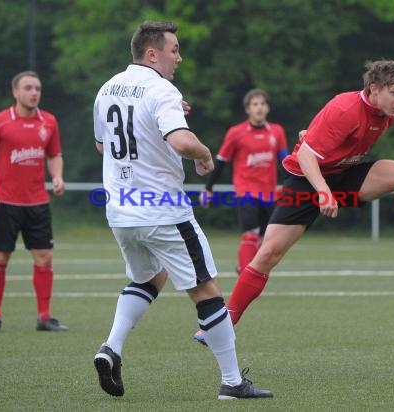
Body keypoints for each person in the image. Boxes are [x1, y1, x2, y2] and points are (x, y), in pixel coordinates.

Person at [194, 59, 394, 343]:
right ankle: (223, 323)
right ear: (374, 89)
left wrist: (315, 142)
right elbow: (307, 156)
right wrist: (322, 191)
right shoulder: (345, 108)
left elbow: (330, 142)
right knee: (267, 254)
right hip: (306, 180)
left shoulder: (388, 114)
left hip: (343, 174)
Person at [92, 21, 272, 400]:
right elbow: (181, 141)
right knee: (207, 289)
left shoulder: (107, 88)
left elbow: (102, 146)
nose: (179, 57)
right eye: (174, 49)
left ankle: (111, 348)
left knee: (149, 278)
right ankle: (233, 381)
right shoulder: (162, 90)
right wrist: (205, 155)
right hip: (162, 210)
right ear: (152, 53)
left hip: (122, 210)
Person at [0, 71, 68, 333]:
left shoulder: (48, 121)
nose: (34, 92)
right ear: (16, 92)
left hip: (38, 202)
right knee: (1, 257)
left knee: (44, 257)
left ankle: (44, 317)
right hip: (5, 202)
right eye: (28, 88)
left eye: (37, 88)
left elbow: (55, 154)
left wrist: (57, 176)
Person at [199, 89, 288, 274]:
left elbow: (284, 161)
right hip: (245, 191)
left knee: (265, 238)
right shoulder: (236, 133)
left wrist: (293, 183)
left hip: (269, 193)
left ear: (268, 108)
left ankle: (245, 268)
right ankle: (247, 275)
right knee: (250, 234)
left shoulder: (277, 132)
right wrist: (208, 188)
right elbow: (222, 162)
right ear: (248, 109)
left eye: (262, 104)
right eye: (255, 104)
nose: (259, 108)